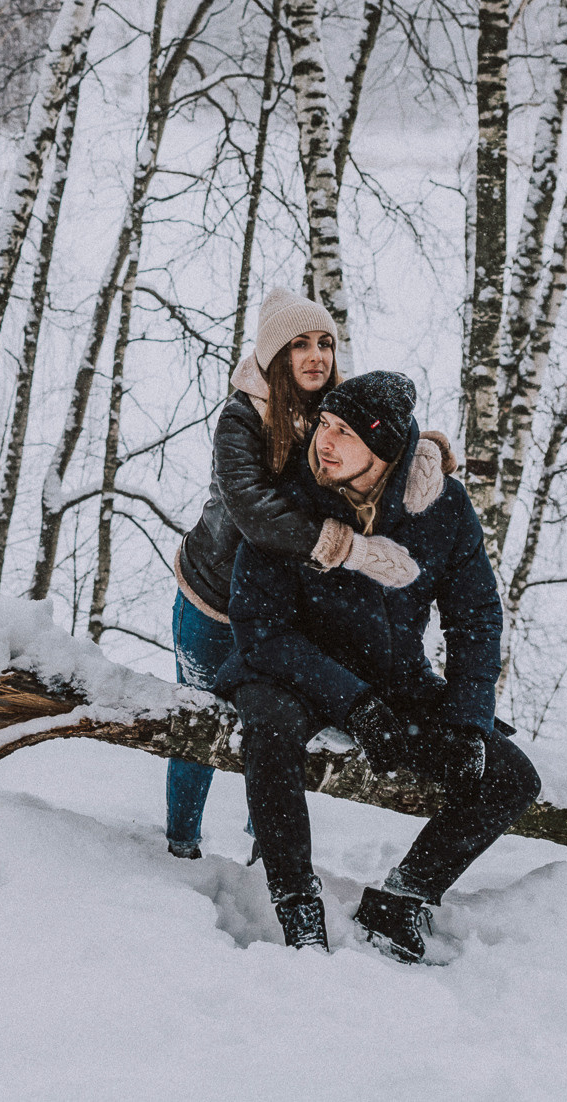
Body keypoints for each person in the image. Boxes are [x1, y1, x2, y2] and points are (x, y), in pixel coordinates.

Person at [215, 369, 541, 962]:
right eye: (326, 424)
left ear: (384, 452)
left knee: (510, 777)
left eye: (345, 433)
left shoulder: (441, 508)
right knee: (268, 724)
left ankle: (402, 899)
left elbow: (475, 618)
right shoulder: (286, 497)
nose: (325, 441)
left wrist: (469, 721)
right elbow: (260, 631)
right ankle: (296, 902)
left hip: (397, 679)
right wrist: (355, 704)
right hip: (295, 667)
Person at [165, 289, 417, 860]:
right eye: (300, 344)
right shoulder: (241, 417)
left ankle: (266, 854)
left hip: (280, 614)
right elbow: (253, 511)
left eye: (325, 343)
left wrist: (424, 454)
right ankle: (181, 845)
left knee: (273, 731)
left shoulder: (335, 413)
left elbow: (383, 444)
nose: (316, 355)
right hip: (212, 602)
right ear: (276, 355)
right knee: (194, 726)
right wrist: (340, 545)